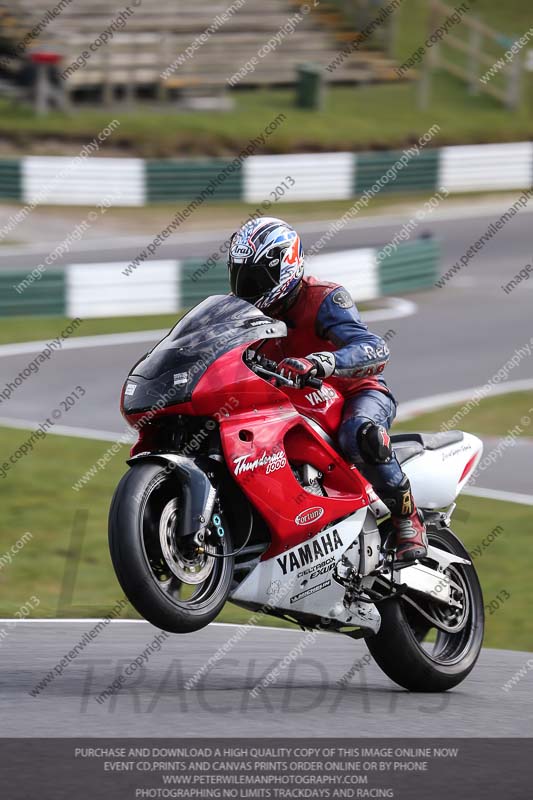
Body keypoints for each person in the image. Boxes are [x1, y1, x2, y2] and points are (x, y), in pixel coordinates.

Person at [227, 216, 428, 563]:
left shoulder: (324, 299)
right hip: (290, 405)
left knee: (360, 434)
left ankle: (407, 518)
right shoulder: (244, 316)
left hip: (355, 394)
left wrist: (321, 362)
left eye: (256, 278)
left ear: (284, 266)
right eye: (241, 277)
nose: (247, 288)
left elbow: (373, 347)